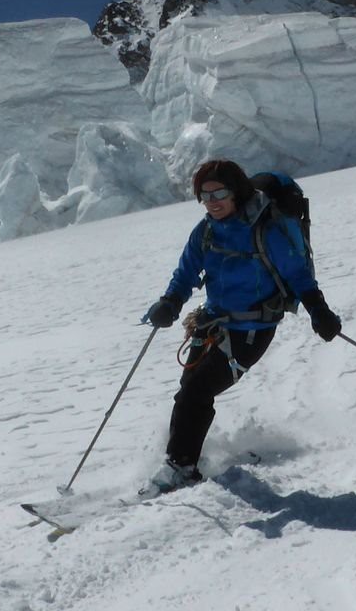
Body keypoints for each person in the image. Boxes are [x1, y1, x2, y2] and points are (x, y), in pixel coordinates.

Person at [139, 159, 341, 495]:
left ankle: (180, 466)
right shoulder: (206, 231)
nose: (213, 201)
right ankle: (184, 459)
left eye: (219, 193)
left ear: (237, 192)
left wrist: (318, 310)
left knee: (196, 391)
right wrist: (170, 301)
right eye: (205, 195)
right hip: (212, 323)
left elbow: (297, 275)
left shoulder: (265, 230)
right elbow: (186, 272)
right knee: (189, 391)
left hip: (252, 329)